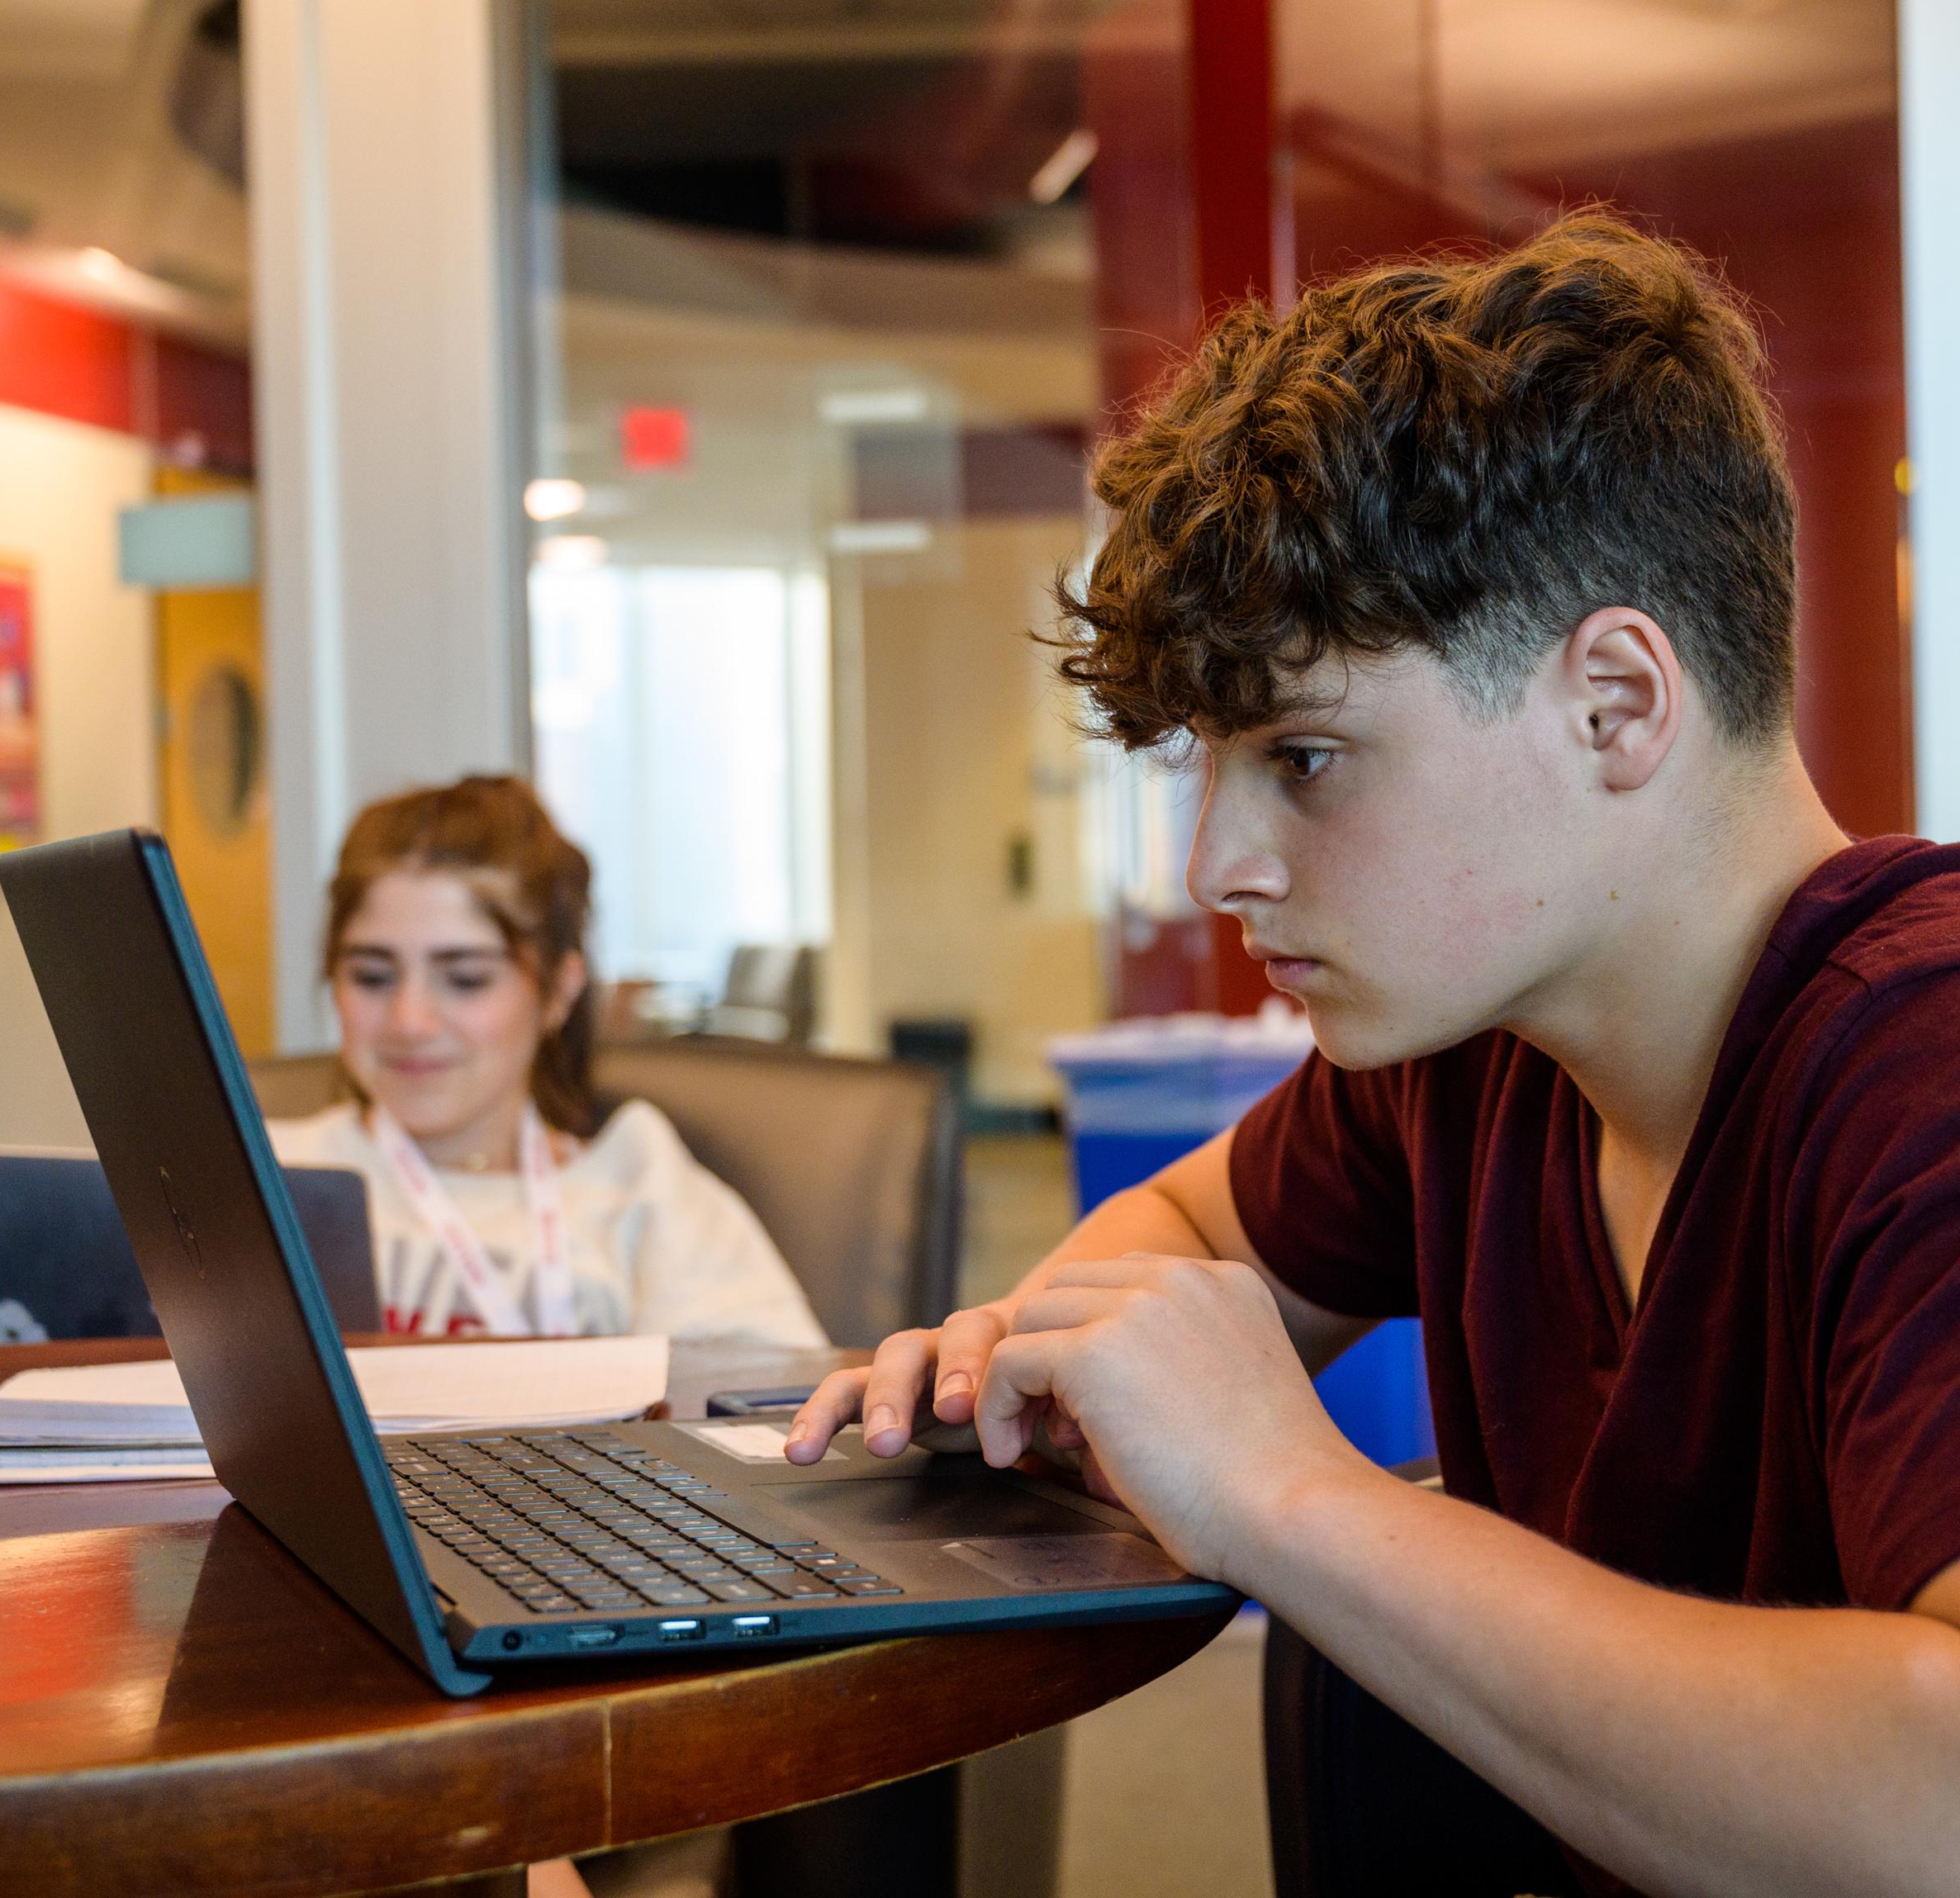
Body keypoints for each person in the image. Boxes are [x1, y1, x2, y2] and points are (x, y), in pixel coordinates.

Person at [784, 212, 1960, 1896]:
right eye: (1212, 768)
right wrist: (1026, 1358)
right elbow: (1185, 1233)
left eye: (1307, 758)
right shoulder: (1476, 1045)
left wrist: (1286, 1495)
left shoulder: (1924, 1066)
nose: (1218, 866)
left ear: (1618, 705)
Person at [268, 775, 825, 1350]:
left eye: (466, 979)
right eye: (372, 977)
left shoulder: (642, 1189)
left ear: (559, 990)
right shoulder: (264, 1179)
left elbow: (778, 1394)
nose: (409, 1022)